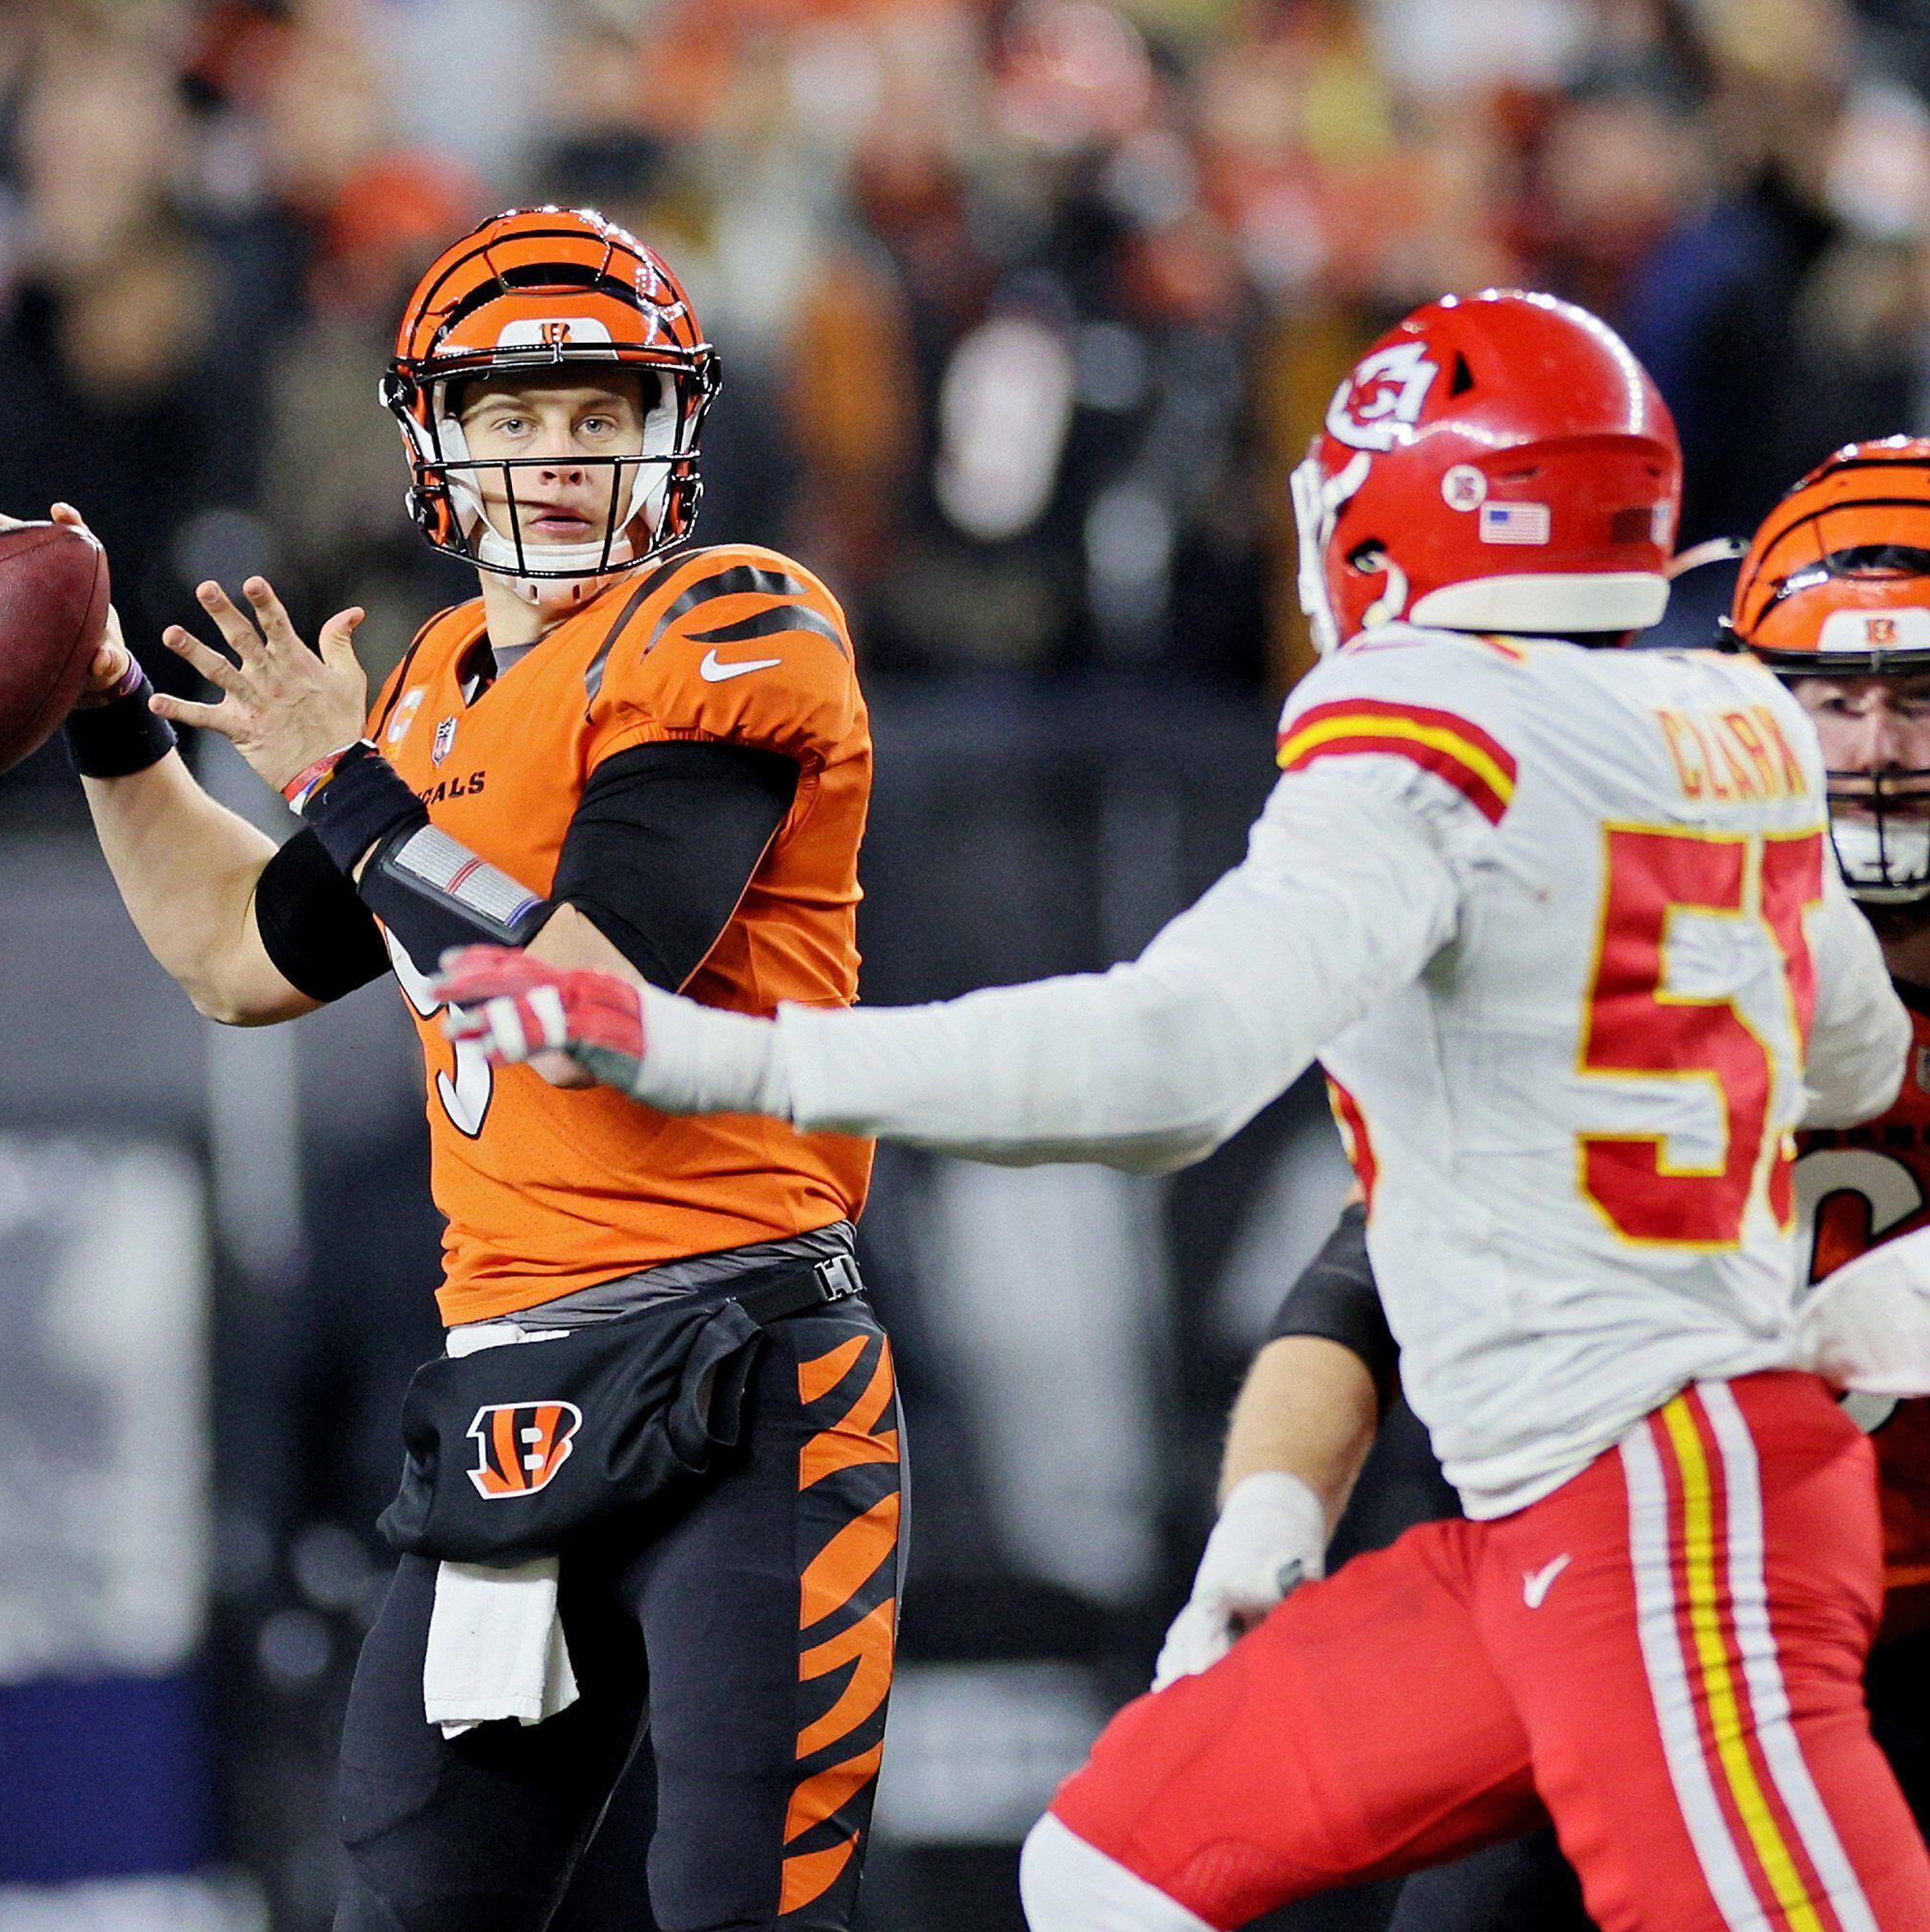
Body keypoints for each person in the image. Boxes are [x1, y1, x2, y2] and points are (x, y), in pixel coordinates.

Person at [436, 290, 1930, 1930]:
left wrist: (714, 1055)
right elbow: (1851, 1059)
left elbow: (1167, 1070)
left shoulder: (1439, 731)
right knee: (1112, 1869)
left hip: (1665, 1511)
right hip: (1550, 1511)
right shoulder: (1725, 731)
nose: (1873, 744)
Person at [0, 206, 900, 1932]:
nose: (557, 456)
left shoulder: (739, 619)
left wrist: (341, 784)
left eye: (599, 413)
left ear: (673, 432)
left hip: (743, 1369)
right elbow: (238, 958)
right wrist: (104, 718)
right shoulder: (436, 687)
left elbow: (581, 1006)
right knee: (404, 1904)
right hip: (509, 1396)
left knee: (741, 1913)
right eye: (514, 416)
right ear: (437, 443)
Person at [1151, 435, 1930, 1932]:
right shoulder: (1654, 911)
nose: (1875, 749)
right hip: (1638, 1609)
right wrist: (1266, 1513)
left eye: (1917, 698)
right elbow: (1375, 1264)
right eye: (1835, 699)